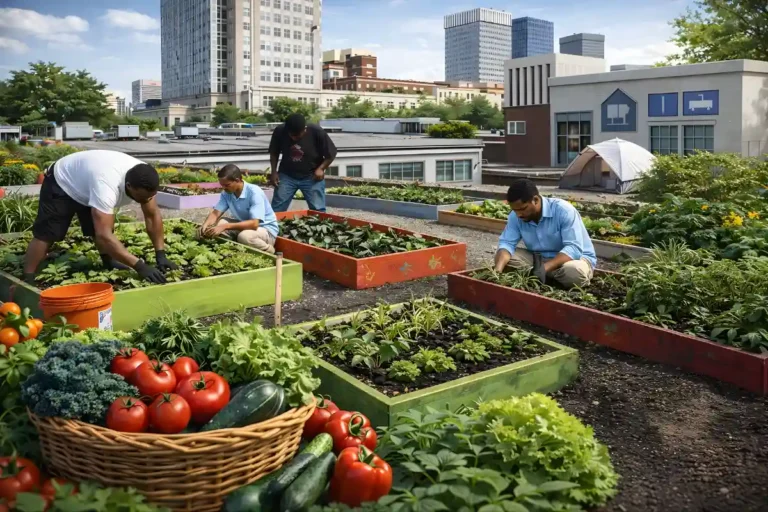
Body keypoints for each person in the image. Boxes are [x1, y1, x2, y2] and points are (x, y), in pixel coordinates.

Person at [23, 149, 177, 285]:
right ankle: (27, 277)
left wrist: (160, 254)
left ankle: (108, 261)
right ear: (129, 186)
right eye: (142, 198)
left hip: (88, 180)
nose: (147, 201)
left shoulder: (145, 179)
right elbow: (104, 235)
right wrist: (139, 266)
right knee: (47, 234)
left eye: (150, 197)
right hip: (62, 181)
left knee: (101, 225)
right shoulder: (107, 187)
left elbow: (152, 216)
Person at [493, 179, 596, 289]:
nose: (519, 215)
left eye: (523, 209)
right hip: (538, 260)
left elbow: (574, 248)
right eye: (515, 210)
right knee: (503, 258)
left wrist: (544, 268)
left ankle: (542, 275)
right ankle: (549, 278)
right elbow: (507, 243)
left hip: (572, 260)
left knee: (574, 273)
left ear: (536, 200)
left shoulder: (563, 210)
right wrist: (497, 271)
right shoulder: (516, 216)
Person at [198, 164, 279, 254]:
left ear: (237, 180)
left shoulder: (254, 193)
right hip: (245, 225)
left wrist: (225, 226)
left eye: (227, 185)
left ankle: (269, 251)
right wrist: (205, 226)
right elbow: (215, 213)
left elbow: (254, 224)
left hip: (265, 230)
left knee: (244, 236)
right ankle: (234, 248)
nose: (224, 188)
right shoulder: (227, 193)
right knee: (221, 222)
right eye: (222, 185)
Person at [269, 113, 337, 212]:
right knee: (277, 208)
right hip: (287, 175)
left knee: (318, 209)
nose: (294, 138)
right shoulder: (280, 131)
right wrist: (274, 172)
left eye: (297, 136)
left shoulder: (316, 131)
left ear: (305, 129)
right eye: (291, 135)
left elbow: (331, 153)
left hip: (311, 175)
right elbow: (274, 153)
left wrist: (321, 168)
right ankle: (274, 227)